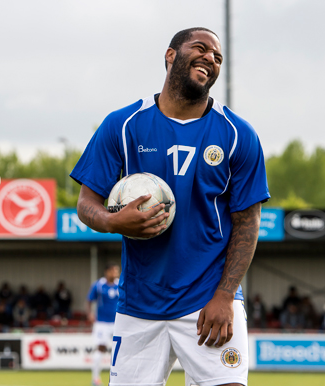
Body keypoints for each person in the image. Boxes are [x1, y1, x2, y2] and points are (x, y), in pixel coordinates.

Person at [71, 27, 269, 386]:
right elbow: (86, 203)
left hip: (209, 300)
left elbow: (248, 221)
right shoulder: (123, 125)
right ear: (170, 56)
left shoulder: (239, 134)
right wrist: (115, 222)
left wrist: (225, 295)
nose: (211, 57)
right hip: (140, 305)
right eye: (201, 48)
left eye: (218, 56)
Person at [85, 264, 119, 386]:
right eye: (112, 270)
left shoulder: (120, 284)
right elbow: (89, 300)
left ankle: (119, 378)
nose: (115, 273)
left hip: (117, 323)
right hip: (102, 323)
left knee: (120, 350)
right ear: (106, 272)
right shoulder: (98, 285)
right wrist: (90, 314)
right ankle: (95, 378)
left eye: (116, 271)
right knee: (100, 348)